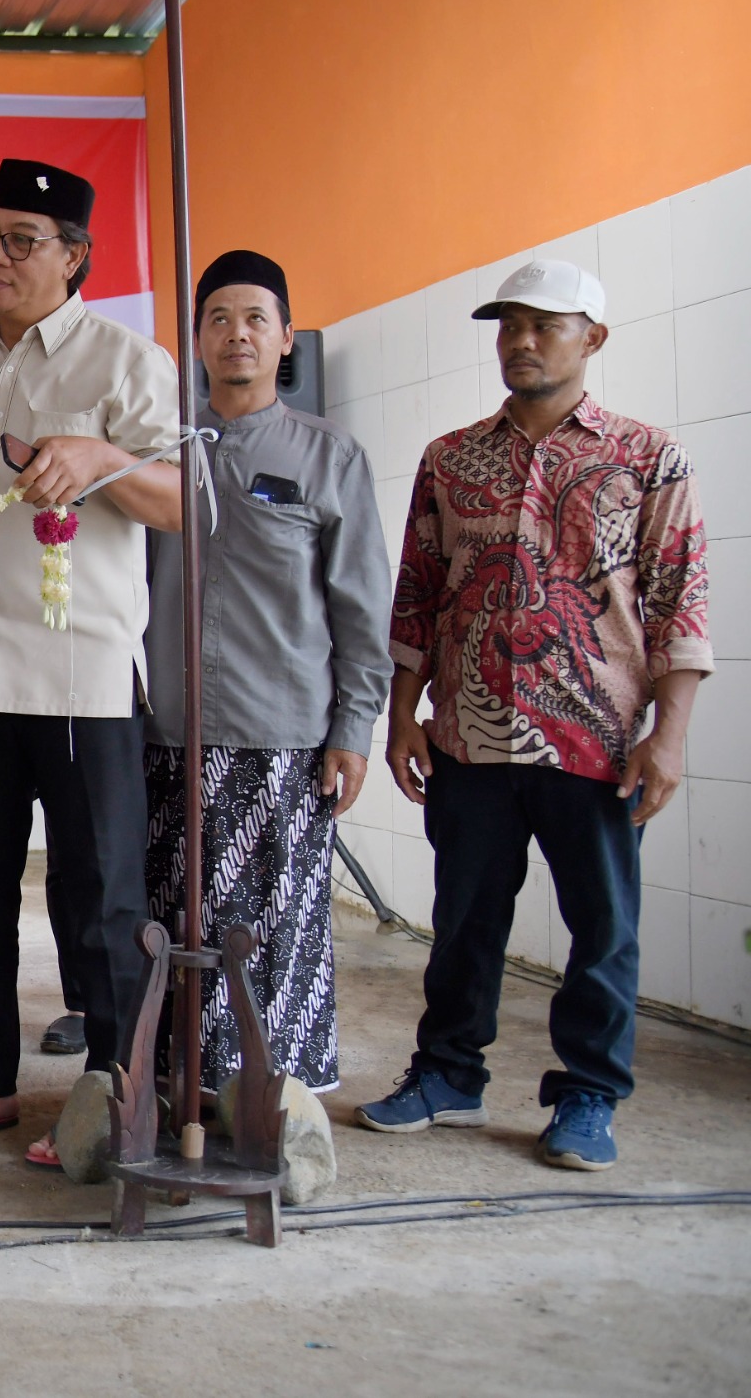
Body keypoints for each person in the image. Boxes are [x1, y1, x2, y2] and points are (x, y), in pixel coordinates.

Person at [360, 258, 710, 1171]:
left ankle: (589, 1095)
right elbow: (419, 597)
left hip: (595, 742)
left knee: (603, 929)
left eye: (544, 325)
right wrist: (403, 718)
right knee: (465, 919)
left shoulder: (646, 456)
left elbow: (681, 601)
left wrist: (668, 736)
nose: (521, 340)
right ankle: (447, 1075)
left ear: (590, 338)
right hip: (468, 736)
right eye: (510, 324)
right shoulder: (452, 457)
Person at [0, 160, 182, 1169]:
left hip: (81, 681)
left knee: (101, 897)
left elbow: (187, 501)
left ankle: (110, 1093)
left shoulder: (125, 362)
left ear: (74, 255)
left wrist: (103, 460)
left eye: (22, 239)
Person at [145, 252, 391, 1098]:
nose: (236, 334)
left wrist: (353, 732)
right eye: (217, 318)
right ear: (197, 339)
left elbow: (363, 612)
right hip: (170, 738)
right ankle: (185, 1091)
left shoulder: (329, 457)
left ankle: (277, 1097)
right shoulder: (162, 453)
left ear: (286, 337)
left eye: (255, 318)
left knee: (277, 933)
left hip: (283, 742)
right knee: (179, 924)